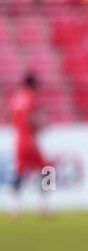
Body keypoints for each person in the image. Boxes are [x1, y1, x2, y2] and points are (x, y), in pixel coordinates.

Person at [7, 74, 52, 217]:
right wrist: (38, 127)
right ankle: (43, 205)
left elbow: (10, 117)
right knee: (47, 170)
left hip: (19, 140)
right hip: (29, 140)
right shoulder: (31, 97)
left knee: (20, 172)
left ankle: (14, 207)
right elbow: (30, 118)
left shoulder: (15, 98)